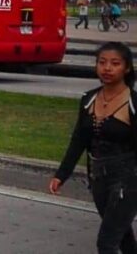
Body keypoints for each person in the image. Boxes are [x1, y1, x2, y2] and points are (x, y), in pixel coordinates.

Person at [50, 42, 137, 253]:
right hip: (98, 177)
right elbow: (78, 140)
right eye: (102, 63)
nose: (107, 68)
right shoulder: (89, 99)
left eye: (115, 63)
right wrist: (61, 175)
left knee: (106, 242)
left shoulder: (133, 102)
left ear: (126, 68)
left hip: (127, 179)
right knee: (122, 234)